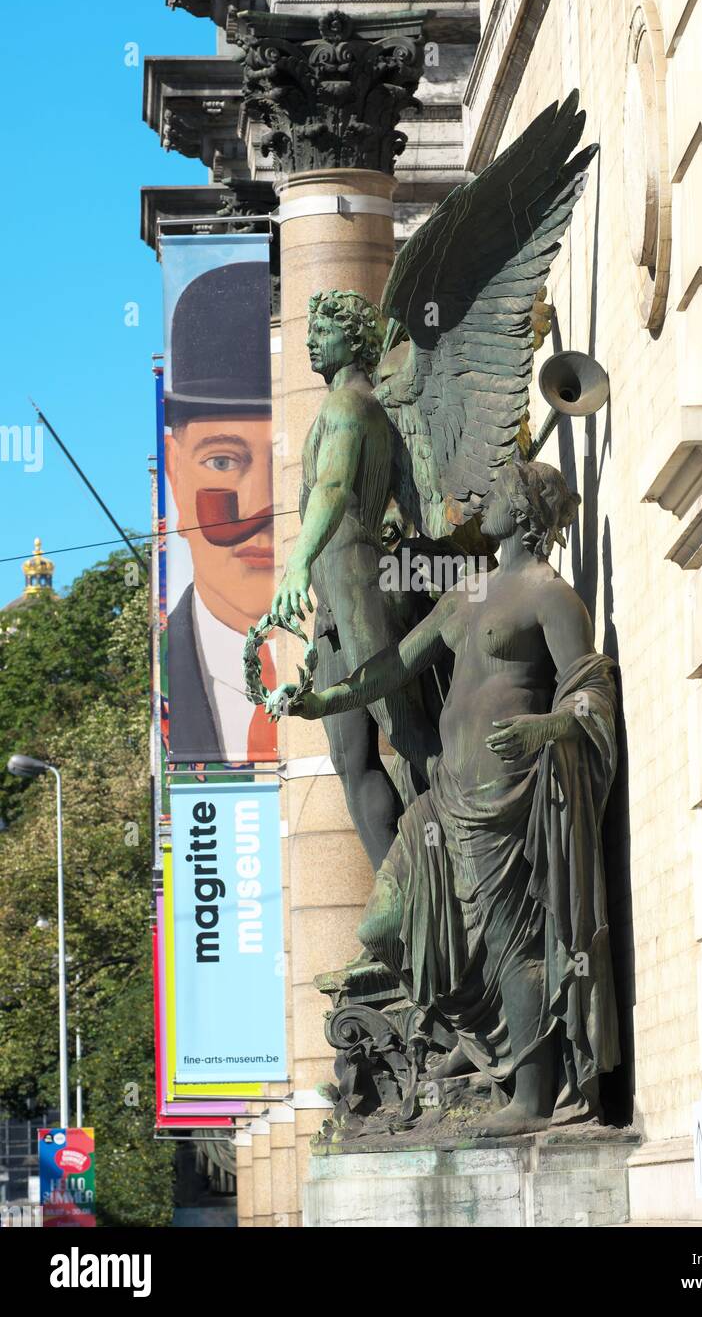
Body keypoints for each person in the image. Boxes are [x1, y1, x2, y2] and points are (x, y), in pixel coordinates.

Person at [268, 460, 620, 1135]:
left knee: (513, 939)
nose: (483, 505)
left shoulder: (548, 594)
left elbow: (589, 688)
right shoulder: (467, 594)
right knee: (385, 925)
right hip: (447, 797)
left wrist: (547, 725)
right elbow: (397, 665)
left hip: (509, 796)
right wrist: (322, 700)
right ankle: (482, 1031)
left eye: (499, 496)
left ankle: (534, 1096)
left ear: (523, 514)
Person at [271, 290, 441, 869]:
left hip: (358, 579)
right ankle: (402, 908)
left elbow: (335, 489)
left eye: (325, 330)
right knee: (350, 757)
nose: (312, 340)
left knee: (408, 730)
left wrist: (296, 563)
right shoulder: (346, 405)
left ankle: (468, 854)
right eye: (311, 329)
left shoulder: (349, 404)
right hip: (335, 598)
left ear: (355, 338)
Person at [164, 260, 276, 763]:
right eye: (224, 460)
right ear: (175, 472)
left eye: (291, 460)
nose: (261, 506)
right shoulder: (166, 677)